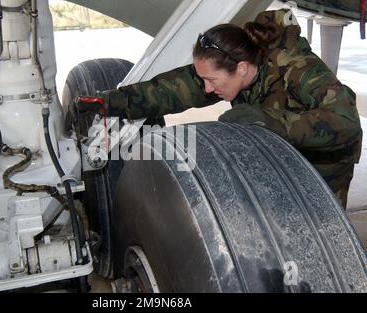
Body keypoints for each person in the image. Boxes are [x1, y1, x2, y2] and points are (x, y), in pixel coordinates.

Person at [75, 9, 362, 208]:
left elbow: (346, 121)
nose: (208, 89)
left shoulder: (298, 69)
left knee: (319, 240)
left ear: (240, 68)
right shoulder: (226, 65)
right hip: (281, 154)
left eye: (211, 81)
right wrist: (110, 101)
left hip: (323, 166)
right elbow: (172, 89)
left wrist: (274, 123)